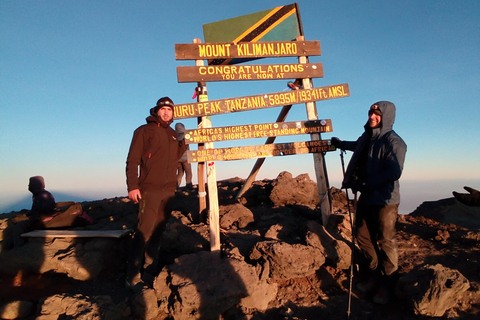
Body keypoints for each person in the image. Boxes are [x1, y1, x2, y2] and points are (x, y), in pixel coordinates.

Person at [332, 101, 407, 304]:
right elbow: (357, 147)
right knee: (363, 236)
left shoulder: (394, 142)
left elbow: (393, 172)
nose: (372, 117)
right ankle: (373, 274)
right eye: (371, 113)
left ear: (386, 117)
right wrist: (340, 144)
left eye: (377, 115)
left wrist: (364, 183)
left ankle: (388, 283)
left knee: (385, 240)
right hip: (367, 196)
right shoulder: (368, 137)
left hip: (385, 201)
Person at [125, 96, 187, 289]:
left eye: (170, 110)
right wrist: (132, 186)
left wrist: (182, 141)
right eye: (163, 109)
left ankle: (150, 272)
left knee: (158, 232)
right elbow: (132, 160)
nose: (166, 112)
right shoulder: (143, 131)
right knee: (144, 230)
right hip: (148, 190)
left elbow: (174, 159)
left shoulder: (171, 134)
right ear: (156, 111)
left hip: (168, 191)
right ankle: (132, 275)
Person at [175, 122, 193, 190]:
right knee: (188, 172)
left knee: (180, 173)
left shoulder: (174, 135)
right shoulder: (186, 135)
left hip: (178, 158)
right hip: (186, 158)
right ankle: (189, 185)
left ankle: (176, 186)